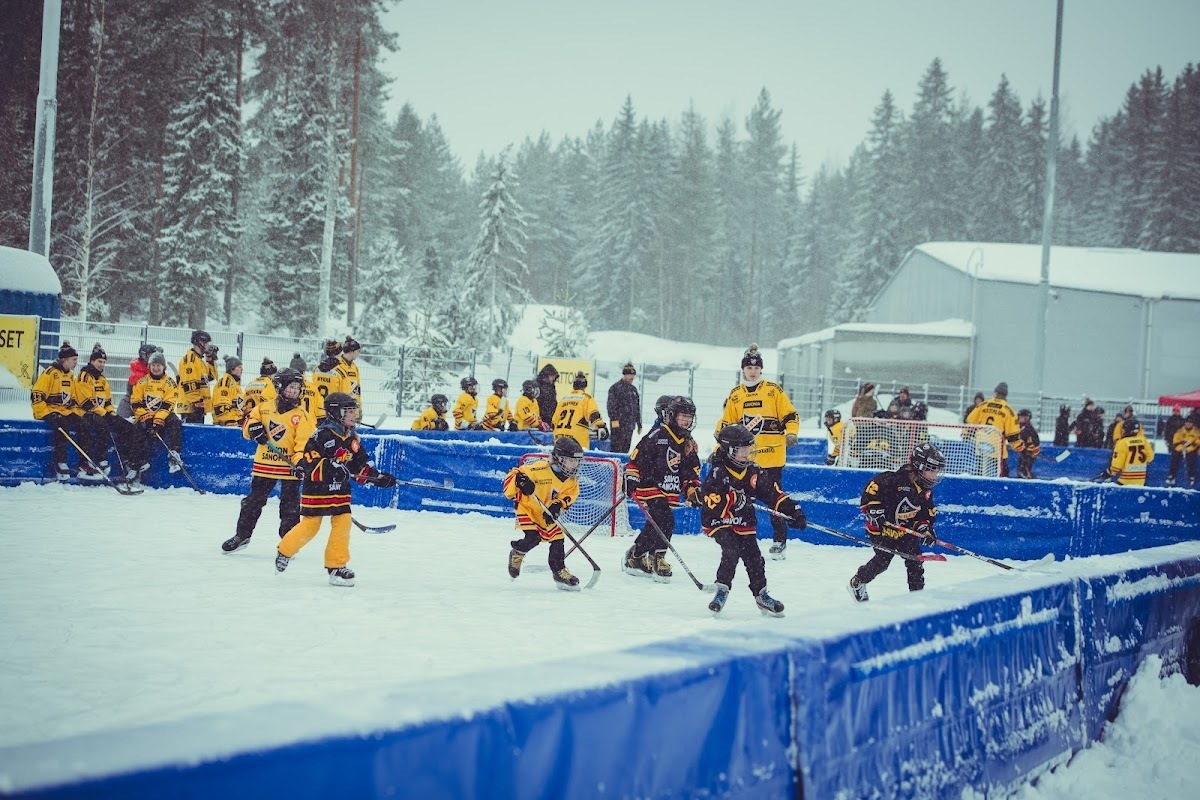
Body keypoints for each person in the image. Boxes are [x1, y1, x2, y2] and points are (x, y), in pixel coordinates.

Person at [275, 392, 396, 586]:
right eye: (348, 411)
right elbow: (309, 463)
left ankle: (337, 567)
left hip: (341, 490)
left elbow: (359, 465)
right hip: (317, 490)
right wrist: (330, 468)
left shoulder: (352, 437)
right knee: (310, 527)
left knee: (343, 523)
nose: (353, 415)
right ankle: (285, 550)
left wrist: (377, 478)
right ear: (335, 413)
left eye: (353, 411)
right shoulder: (321, 435)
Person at [701, 424, 805, 617]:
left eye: (749, 449)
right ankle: (722, 589)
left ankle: (761, 595)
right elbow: (710, 501)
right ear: (729, 450)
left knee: (754, 558)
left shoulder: (754, 470)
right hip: (719, 521)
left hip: (744, 520)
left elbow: (773, 494)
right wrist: (732, 500)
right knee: (731, 549)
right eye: (742, 450)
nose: (747, 454)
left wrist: (793, 510)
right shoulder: (718, 472)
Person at [715, 344, 800, 560]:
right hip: (744, 460)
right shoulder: (735, 395)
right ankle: (738, 536)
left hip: (772, 457)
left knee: (774, 499)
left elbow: (791, 415)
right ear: (743, 370)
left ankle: (779, 540)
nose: (752, 371)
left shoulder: (773, 391)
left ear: (761, 370)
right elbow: (726, 425)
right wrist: (719, 448)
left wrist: (791, 433)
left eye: (756, 367)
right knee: (740, 500)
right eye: (748, 367)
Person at [221, 371, 315, 554]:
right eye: (291, 387)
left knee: (290, 507)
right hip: (264, 465)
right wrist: (252, 427)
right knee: (252, 502)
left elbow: (303, 443)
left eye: (297, 388)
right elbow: (248, 424)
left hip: (289, 468)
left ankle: (288, 542)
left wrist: (301, 462)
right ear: (280, 387)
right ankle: (242, 535)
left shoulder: (302, 415)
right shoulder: (264, 408)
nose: (294, 391)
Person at [848, 441, 945, 602]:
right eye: (933, 470)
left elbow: (924, 516)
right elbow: (871, 491)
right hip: (883, 530)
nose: (935, 475)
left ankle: (917, 598)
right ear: (920, 467)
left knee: (915, 561)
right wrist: (874, 512)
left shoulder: (925, 492)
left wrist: (925, 530)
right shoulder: (892, 480)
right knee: (882, 562)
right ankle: (857, 582)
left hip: (904, 531)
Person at [621, 396, 702, 582]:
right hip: (650, 485)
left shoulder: (689, 443)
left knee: (655, 524)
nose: (687, 420)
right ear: (673, 416)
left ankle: (636, 555)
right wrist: (631, 477)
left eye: (690, 416)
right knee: (665, 519)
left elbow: (690, 473)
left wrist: (692, 490)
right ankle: (658, 557)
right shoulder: (657, 435)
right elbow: (635, 459)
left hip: (670, 488)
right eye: (683, 415)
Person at [502, 436, 584, 590]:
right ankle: (517, 552)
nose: (575, 465)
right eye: (571, 461)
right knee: (533, 538)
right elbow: (513, 477)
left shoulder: (571, 481)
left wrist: (557, 505)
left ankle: (559, 571)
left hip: (545, 512)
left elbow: (569, 496)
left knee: (558, 539)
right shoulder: (537, 470)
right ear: (558, 458)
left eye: (577, 461)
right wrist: (520, 481)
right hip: (528, 509)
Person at [74, 342, 136, 482]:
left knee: (126, 427)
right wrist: (105, 413)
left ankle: (131, 461)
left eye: (103, 362)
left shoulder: (102, 380)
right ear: (92, 361)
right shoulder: (84, 376)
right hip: (85, 413)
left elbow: (107, 402)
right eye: (99, 361)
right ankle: (100, 461)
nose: (101, 365)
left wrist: (111, 412)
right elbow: (86, 404)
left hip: (101, 412)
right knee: (102, 425)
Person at [30, 341, 80, 481]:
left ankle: (85, 463)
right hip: (50, 411)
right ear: (64, 360)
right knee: (62, 426)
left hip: (64, 411)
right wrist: (45, 413)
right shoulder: (49, 373)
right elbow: (37, 394)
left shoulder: (69, 375)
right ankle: (60, 462)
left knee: (83, 423)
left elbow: (71, 397)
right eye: (74, 360)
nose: (76, 363)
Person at [129, 350, 184, 475]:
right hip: (146, 415)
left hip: (164, 414)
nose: (155, 368)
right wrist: (146, 418)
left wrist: (158, 420)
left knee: (175, 422)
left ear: (163, 367)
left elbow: (169, 403)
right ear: (149, 366)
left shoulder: (169, 382)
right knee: (137, 430)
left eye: (158, 365)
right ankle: (136, 463)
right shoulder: (142, 382)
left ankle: (174, 453)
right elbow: (135, 402)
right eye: (153, 365)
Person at [966, 381, 1023, 477]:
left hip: (982, 443)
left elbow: (970, 420)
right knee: (1003, 473)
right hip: (997, 446)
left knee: (981, 471)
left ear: (995, 393)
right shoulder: (1008, 410)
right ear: (1006, 395)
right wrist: (1019, 447)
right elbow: (1012, 434)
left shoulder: (983, 405)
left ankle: (980, 487)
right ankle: (1002, 490)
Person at [552, 372, 608, 450]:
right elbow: (594, 416)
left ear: (574, 385)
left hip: (560, 441)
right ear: (585, 386)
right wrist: (601, 428)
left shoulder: (563, 400)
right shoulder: (587, 399)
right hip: (577, 441)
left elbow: (554, 422)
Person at [1095, 417, 1153, 486]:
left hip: (1126, 480)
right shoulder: (1144, 441)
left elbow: (1118, 464)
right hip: (1141, 480)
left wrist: (1109, 472)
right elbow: (1150, 457)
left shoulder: (1122, 443)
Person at [177, 329, 212, 423]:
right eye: (207, 343)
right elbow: (190, 384)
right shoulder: (191, 360)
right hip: (191, 408)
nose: (209, 346)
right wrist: (197, 403)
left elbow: (209, 379)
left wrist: (211, 361)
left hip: (197, 406)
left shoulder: (199, 361)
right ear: (200, 343)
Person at [607, 363, 642, 454]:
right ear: (625, 375)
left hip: (629, 425)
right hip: (618, 425)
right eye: (630, 375)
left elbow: (636, 407)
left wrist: (639, 423)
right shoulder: (615, 388)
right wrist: (614, 419)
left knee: (626, 449)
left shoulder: (633, 390)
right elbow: (611, 406)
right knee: (616, 449)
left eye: (633, 375)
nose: (632, 377)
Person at [117, 343, 157, 417]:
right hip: (132, 405)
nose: (153, 358)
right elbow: (135, 397)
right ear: (143, 356)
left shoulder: (153, 371)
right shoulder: (139, 374)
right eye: (150, 355)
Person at [311, 340, 342, 425]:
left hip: (318, 409)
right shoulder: (340, 371)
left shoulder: (316, 369)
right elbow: (345, 394)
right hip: (333, 410)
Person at [211, 355, 245, 427]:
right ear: (232, 369)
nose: (242, 370)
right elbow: (221, 406)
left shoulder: (234, 384)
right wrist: (229, 421)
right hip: (227, 425)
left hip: (234, 422)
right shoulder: (225, 383)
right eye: (239, 367)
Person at [1166, 413, 1198, 487]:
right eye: (1187, 422)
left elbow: (1197, 442)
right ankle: (1172, 476)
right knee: (1175, 456)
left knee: (1192, 458)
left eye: (1190, 422)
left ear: (1192, 424)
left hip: (1191, 449)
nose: (1188, 424)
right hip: (1181, 448)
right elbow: (1175, 440)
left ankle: (1192, 476)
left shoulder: (1196, 431)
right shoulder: (1180, 430)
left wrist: (1189, 448)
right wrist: (1181, 448)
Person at [332, 335, 363, 401]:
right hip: (340, 404)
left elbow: (357, 389)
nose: (358, 354)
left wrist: (359, 405)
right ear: (352, 351)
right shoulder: (336, 365)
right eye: (358, 351)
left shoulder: (354, 367)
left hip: (352, 406)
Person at [1015, 408, 1041, 479]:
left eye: (1023, 417)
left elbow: (1035, 443)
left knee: (1023, 470)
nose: (1020, 419)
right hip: (1024, 453)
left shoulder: (1029, 430)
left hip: (1028, 454)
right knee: (1021, 470)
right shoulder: (1019, 427)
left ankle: (1033, 483)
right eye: (1020, 417)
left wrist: (1033, 453)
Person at [535, 363, 559, 428]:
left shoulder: (551, 387)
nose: (554, 378)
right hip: (540, 417)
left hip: (550, 416)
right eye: (553, 376)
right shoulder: (537, 385)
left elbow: (553, 401)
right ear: (548, 375)